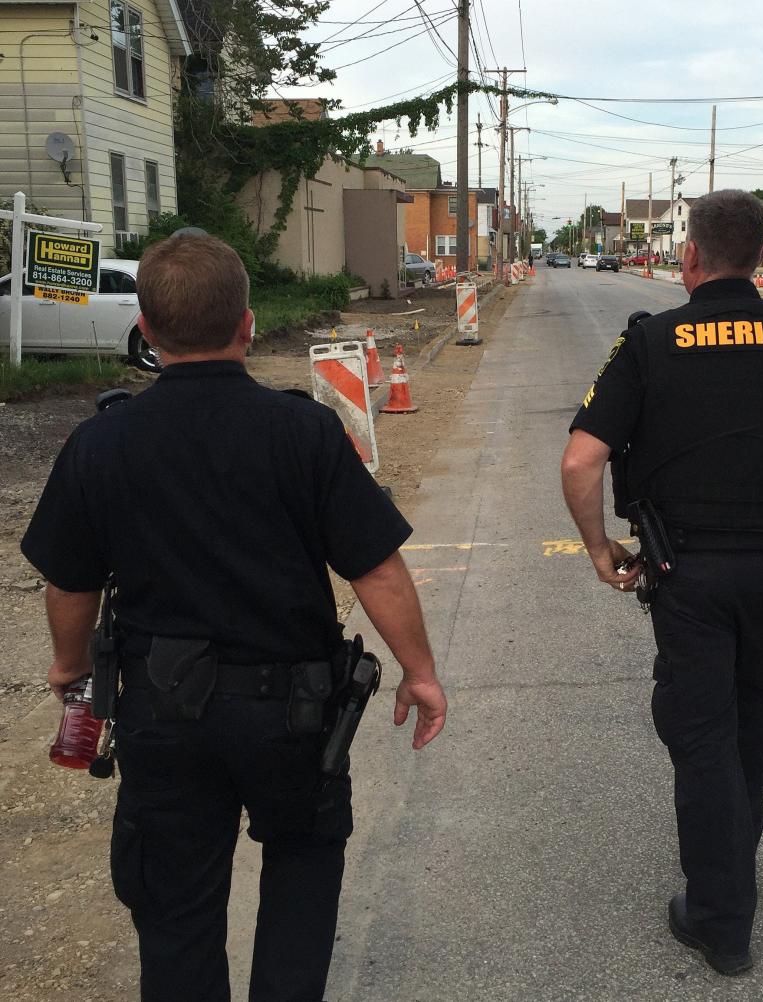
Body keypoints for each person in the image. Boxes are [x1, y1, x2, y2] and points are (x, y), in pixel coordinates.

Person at [21, 234, 447, 1002]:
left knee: (176, 909)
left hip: (160, 713)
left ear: (146, 332)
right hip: (294, 712)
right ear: (248, 326)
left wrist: (69, 666)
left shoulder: (101, 442)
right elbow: (375, 566)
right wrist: (420, 672)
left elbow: (70, 581)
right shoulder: (305, 432)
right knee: (301, 869)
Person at [560, 190, 763, 976]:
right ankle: (734, 862)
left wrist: (600, 549)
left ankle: (720, 918)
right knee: (748, 712)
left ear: (689, 258)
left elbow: (581, 460)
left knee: (700, 730)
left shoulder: (650, 343)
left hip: (688, 574)